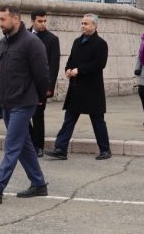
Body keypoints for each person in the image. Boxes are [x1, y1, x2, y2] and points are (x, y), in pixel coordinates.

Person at [0, 5, 49, 204]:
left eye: (3, 19)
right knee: (23, 144)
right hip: (7, 102)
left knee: (12, 145)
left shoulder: (32, 42)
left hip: (24, 102)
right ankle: (39, 184)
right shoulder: (4, 42)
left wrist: (41, 97)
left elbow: (42, 74)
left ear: (15, 19)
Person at [45, 14, 111, 160]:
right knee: (69, 119)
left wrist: (79, 70)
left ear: (94, 26)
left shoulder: (101, 43)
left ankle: (105, 150)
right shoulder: (77, 41)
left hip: (92, 89)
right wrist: (68, 69)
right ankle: (60, 149)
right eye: (82, 23)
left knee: (98, 120)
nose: (83, 26)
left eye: (86, 23)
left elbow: (100, 64)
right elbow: (71, 59)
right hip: (76, 87)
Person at [29, 10, 60, 156]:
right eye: (40, 21)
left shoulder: (52, 39)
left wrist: (49, 87)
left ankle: (38, 145)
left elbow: (54, 65)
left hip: (41, 84)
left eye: (44, 21)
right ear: (32, 21)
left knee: (38, 115)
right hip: (23, 83)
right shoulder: (23, 35)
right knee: (20, 114)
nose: (43, 24)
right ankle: (30, 139)